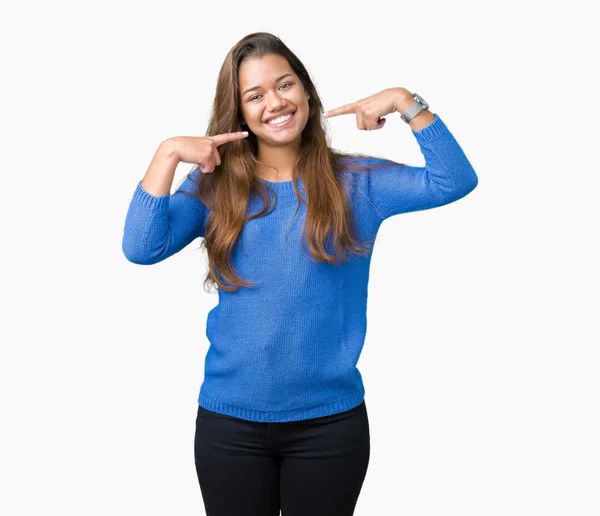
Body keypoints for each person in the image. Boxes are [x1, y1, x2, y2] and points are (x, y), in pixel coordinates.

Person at [122, 31, 478, 516]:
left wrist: (403, 100)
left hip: (329, 428)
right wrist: (167, 153)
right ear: (240, 111)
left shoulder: (356, 183)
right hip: (230, 426)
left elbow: (454, 180)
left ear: (305, 91)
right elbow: (142, 248)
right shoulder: (214, 186)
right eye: (255, 95)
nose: (275, 102)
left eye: (284, 84)